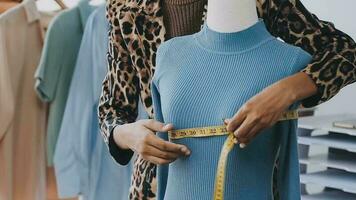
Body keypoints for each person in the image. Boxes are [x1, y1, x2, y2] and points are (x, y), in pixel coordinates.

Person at [98, 0, 356, 199]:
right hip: (158, 182)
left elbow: (346, 53)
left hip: (247, 176)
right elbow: (111, 108)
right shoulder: (123, 6)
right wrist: (126, 134)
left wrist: (285, 92)